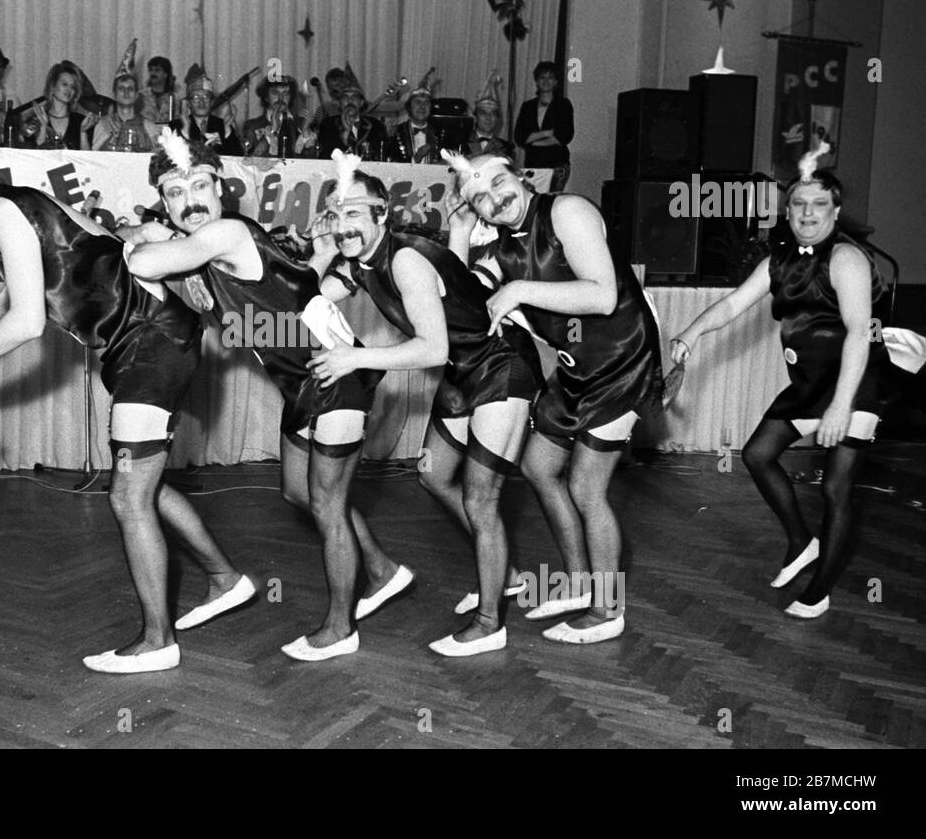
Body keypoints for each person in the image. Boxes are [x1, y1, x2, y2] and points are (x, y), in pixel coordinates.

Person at [0, 131, 252, 673]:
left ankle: (158, 642)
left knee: (128, 498)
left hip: (150, 337)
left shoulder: (9, 208)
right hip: (132, 345)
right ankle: (225, 579)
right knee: (143, 482)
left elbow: (27, 323)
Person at [125, 133, 408, 662]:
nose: (191, 198)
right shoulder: (235, 240)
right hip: (301, 386)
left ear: (221, 189)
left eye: (201, 184)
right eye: (175, 190)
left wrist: (139, 235)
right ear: (163, 200)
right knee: (300, 495)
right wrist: (320, 260)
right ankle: (384, 570)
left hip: (337, 380)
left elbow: (143, 264)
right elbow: (294, 290)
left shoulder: (227, 232)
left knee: (327, 504)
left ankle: (340, 627)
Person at [311, 152, 541, 655]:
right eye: (338, 211)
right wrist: (322, 250)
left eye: (357, 212)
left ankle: (489, 622)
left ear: (381, 214)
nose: (346, 223)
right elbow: (309, 301)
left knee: (481, 497)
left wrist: (356, 358)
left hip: (502, 365)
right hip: (463, 373)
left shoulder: (405, 259)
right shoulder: (360, 260)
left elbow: (432, 349)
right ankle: (509, 574)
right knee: (434, 475)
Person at [445, 150, 663, 644]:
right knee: (538, 467)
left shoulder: (567, 211)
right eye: (479, 197)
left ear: (522, 177)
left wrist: (518, 289)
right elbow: (459, 303)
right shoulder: (499, 250)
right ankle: (579, 582)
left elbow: (602, 296)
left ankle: (608, 610)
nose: (494, 199)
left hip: (624, 362)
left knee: (587, 486)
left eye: (499, 184)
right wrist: (458, 238)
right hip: (574, 370)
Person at [669, 149, 887, 618]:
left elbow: (856, 334)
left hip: (854, 383)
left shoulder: (847, 257)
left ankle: (820, 588)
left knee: (835, 489)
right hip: (807, 384)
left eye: (818, 205)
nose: (808, 214)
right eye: (799, 205)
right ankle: (800, 542)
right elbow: (731, 305)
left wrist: (839, 408)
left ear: (835, 210)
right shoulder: (779, 259)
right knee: (757, 455)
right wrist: (690, 333)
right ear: (787, 211)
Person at [513, 61, 574, 192]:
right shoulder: (527, 106)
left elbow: (564, 137)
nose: (546, 81)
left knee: (550, 202)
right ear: (536, 81)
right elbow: (519, 137)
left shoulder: (563, 105)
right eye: (542, 77)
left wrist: (532, 141)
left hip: (557, 164)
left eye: (550, 77)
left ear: (556, 82)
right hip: (533, 164)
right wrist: (547, 133)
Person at [13, 61, 91, 150]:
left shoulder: (81, 121)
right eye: (64, 84)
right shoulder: (35, 120)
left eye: (73, 87)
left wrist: (83, 132)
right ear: (52, 87)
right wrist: (43, 128)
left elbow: (87, 160)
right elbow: (33, 157)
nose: (69, 90)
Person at [168, 66, 242, 155]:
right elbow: (172, 157)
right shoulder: (176, 126)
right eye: (196, 97)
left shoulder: (221, 125)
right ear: (189, 103)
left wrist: (226, 131)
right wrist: (186, 129)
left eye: (206, 97)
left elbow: (237, 158)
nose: (201, 102)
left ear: (212, 102)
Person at [317, 72, 386, 161]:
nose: (350, 100)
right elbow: (326, 155)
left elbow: (381, 156)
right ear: (338, 103)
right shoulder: (328, 124)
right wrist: (346, 133)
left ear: (361, 103)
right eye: (345, 97)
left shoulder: (375, 125)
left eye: (354, 97)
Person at [242, 74, 314, 159]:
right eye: (275, 93)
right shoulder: (252, 126)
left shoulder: (300, 124)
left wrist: (305, 138)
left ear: (291, 98)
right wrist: (272, 131)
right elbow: (250, 159)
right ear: (266, 97)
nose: (281, 98)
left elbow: (312, 161)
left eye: (286, 94)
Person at [91, 73, 160, 152]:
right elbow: (94, 157)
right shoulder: (103, 125)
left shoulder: (149, 127)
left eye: (130, 89)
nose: (126, 92)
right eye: (121, 88)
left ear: (136, 95)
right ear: (115, 94)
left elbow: (155, 158)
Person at [386, 78, 441, 164]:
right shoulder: (395, 133)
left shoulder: (440, 133)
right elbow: (390, 167)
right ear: (409, 106)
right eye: (418, 102)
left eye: (426, 102)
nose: (422, 107)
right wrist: (416, 158)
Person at [464, 75, 513, 158]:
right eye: (483, 113)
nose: (488, 117)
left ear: (497, 118)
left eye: (493, 113)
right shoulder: (461, 143)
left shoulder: (506, 147)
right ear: (476, 117)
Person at [140, 56, 182, 126]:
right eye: (150, 70)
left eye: (157, 70)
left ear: (166, 74)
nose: (152, 73)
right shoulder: (141, 96)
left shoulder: (175, 99)